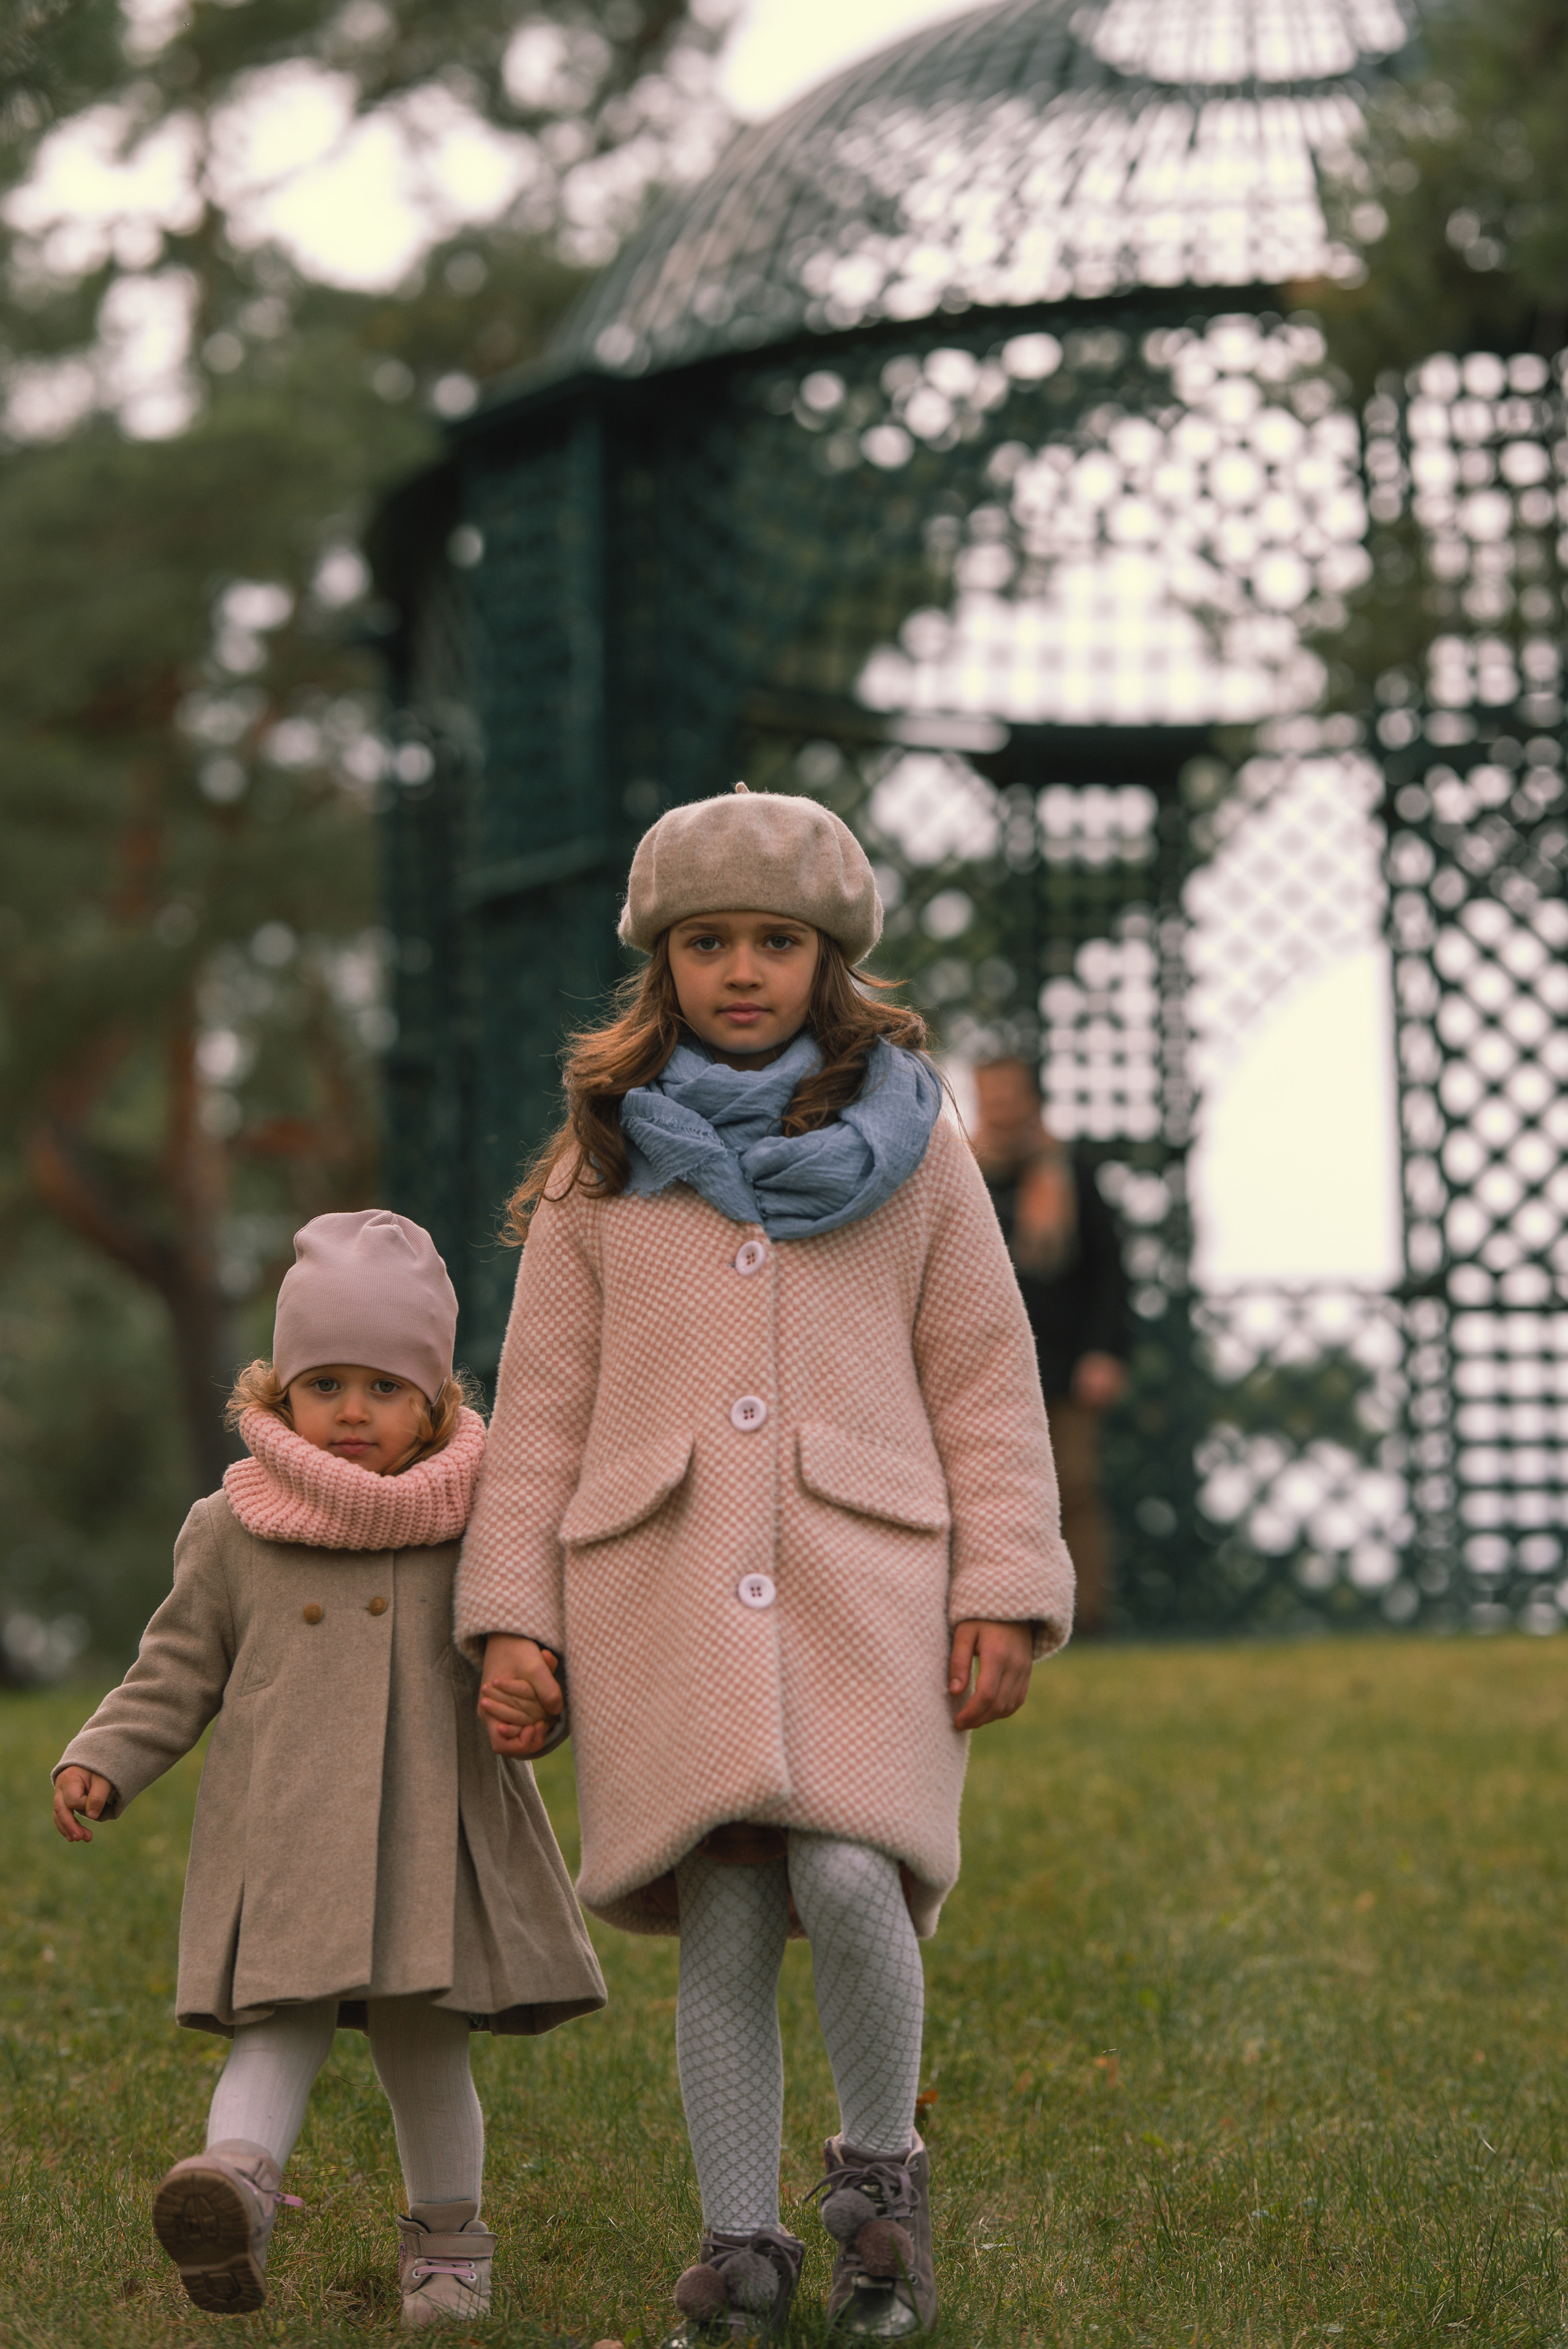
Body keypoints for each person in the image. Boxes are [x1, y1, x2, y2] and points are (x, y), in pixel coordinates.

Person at [458, 785, 1074, 2343]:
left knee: (856, 1870)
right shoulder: (602, 1169)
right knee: (726, 1912)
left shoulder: (920, 1152)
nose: (742, 969)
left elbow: (985, 1380)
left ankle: (880, 2186)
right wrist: (514, 1617)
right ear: (661, 963)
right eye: (708, 941)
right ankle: (737, 2244)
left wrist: (1002, 1580)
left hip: (865, 1584)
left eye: (776, 941)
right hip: (659, 1592)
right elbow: (537, 1415)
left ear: (828, 957)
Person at [51, 1209, 605, 2326]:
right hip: (290, 1830)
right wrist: (106, 1752)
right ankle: (233, 2187)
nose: (354, 1410)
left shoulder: (481, 1524)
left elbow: (540, 1653)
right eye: (327, 1382)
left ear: (437, 1400)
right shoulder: (234, 1525)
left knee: (424, 2037)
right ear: (279, 1391)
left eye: (387, 1387)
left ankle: (448, 2242)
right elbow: (173, 1667)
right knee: (277, 2015)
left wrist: (540, 1705)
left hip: (429, 1832)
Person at [969, 1057, 1129, 1637]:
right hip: (982, 1360)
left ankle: (1086, 1619)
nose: (1002, 1107)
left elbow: (1109, 1271)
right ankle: (998, 1611)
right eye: (991, 1095)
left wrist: (1105, 1353)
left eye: (1011, 1094)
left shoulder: (1071, 1172)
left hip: (1064, 1358)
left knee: (1076, 1486)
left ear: (1033, 1099)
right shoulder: (963, 1169)